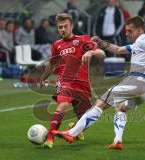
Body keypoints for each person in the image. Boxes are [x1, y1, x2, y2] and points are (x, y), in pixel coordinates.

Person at [52, 16, 145, 149]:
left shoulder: (143, 39)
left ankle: (72, 132)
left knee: (100, 103)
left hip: (138, 81)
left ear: (140, 30)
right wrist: (101, 42)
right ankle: (117, 141)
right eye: (126, 31)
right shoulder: (137, 44)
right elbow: (117, 49)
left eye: (130, 31)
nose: (126, 34)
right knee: (120, 107)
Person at [39, 13, 105, 149]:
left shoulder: (83, 40)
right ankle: (50, 138)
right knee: (63, 104)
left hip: (83, 84)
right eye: (59, 27)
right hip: (65, 82)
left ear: (72, 26)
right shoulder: (56, 45)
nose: (62, 29)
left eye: (65, 26)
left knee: (87, 120)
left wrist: (91, 52)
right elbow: (51, 64)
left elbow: (102, 54)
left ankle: (75, 128)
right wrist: (43, 78)